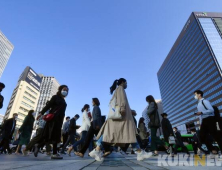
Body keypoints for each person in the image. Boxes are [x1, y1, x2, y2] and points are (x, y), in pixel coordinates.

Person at [78, 78, 152, 161]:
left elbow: (119, 102)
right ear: (122, 82)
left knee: (116, 134)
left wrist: (130, 111)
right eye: (126, 83)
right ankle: (139, 152)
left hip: (119, 118)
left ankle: (97, 150)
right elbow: (122, 101)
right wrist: (123, 110)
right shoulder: (120, 88)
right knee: (119, 133)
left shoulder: (117, 90)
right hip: (121, 118)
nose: (126, 84)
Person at [34, 85, 69, 159]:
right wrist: (41, 113)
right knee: (53, 136)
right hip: (53, 119)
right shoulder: (55, 97)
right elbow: (48, 105)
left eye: (66, 90)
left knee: (52, 136)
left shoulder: (63, 100)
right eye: (64, 89)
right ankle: (54, 153)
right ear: (60, 90)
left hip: (59, 120)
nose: (65, 91)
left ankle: (39, 145)